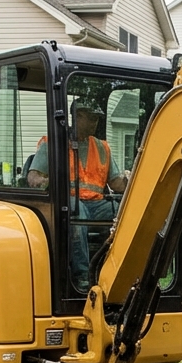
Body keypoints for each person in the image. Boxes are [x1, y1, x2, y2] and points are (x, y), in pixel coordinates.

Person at [28, 99, 129, 287]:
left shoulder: (102, 147)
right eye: (91, 118)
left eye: (97, 119)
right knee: (76, 212)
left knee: (125, 212)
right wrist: (50, 183)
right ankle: (83, 275)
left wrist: (132, 179)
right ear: (77, 116)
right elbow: (33, 177)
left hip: (97, 205)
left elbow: (116, 184)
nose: (95, 123)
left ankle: (123, 271)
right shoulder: (53, 143)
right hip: (66, 204)